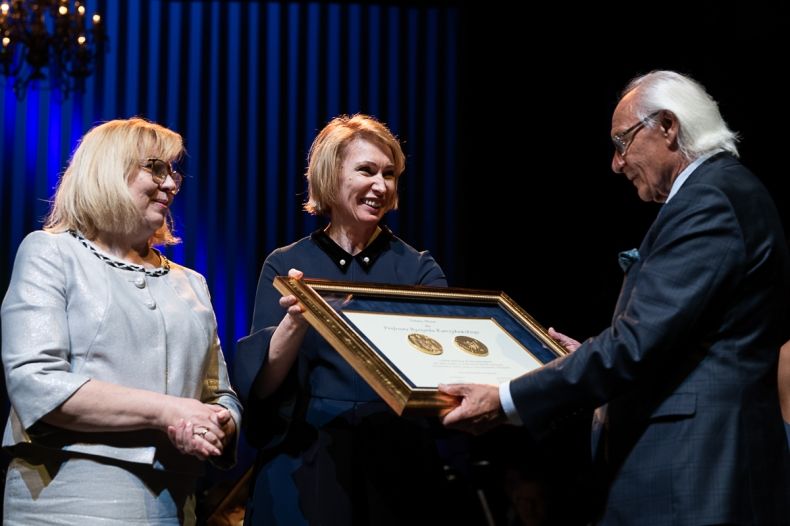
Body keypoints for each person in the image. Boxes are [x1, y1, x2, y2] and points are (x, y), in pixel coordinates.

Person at [439, 70, 790, 524]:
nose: (616, 163)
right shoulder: (719, 193)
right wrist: (585, 356)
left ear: (667, 126)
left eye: (622, 141)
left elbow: (635, 345)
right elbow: (674, 341)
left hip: (697, 471)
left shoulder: (711, 201)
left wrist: (506, 398)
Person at [1, 118, 241, 525]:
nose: (171, 184)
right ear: (110, 170)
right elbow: (35, 382)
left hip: (174, 504)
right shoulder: (51, 253)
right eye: (156, 168)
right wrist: (168, 412)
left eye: (173, 172)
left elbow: (220, 394)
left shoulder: (192, 284)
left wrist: (221, 423)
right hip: (67, 500)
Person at [233, 114, 459, 525]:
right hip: (304, 464)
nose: (381, 185)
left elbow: (438, 371)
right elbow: (263, 386)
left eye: (389, 174)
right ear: (330, 176)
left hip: (396, 465)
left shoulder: (420, 270)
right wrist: (296, 321)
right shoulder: (285, 264)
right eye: (366, 170)